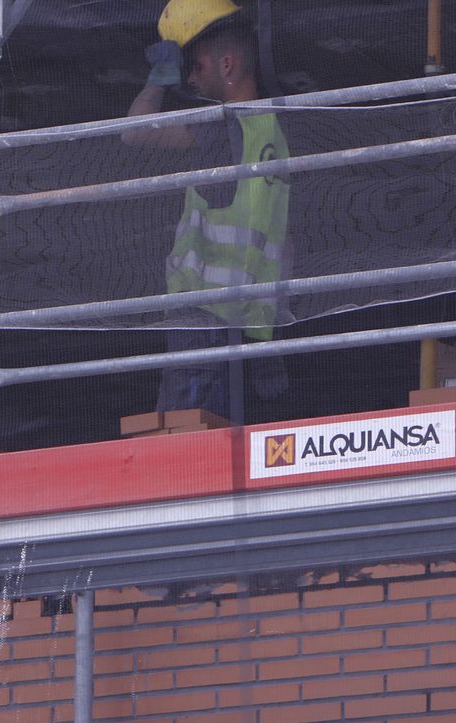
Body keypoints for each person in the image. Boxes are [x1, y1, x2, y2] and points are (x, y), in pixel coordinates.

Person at [123, 0, 290, 419]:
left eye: (195, 66)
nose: (191, 79)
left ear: (227, 65)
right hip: (251, 323)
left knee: (184, 448)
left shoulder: (221, 127)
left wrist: (158, 81)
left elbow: (133, 132)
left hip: (203, 320)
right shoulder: (275, 129)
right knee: (227, 446)